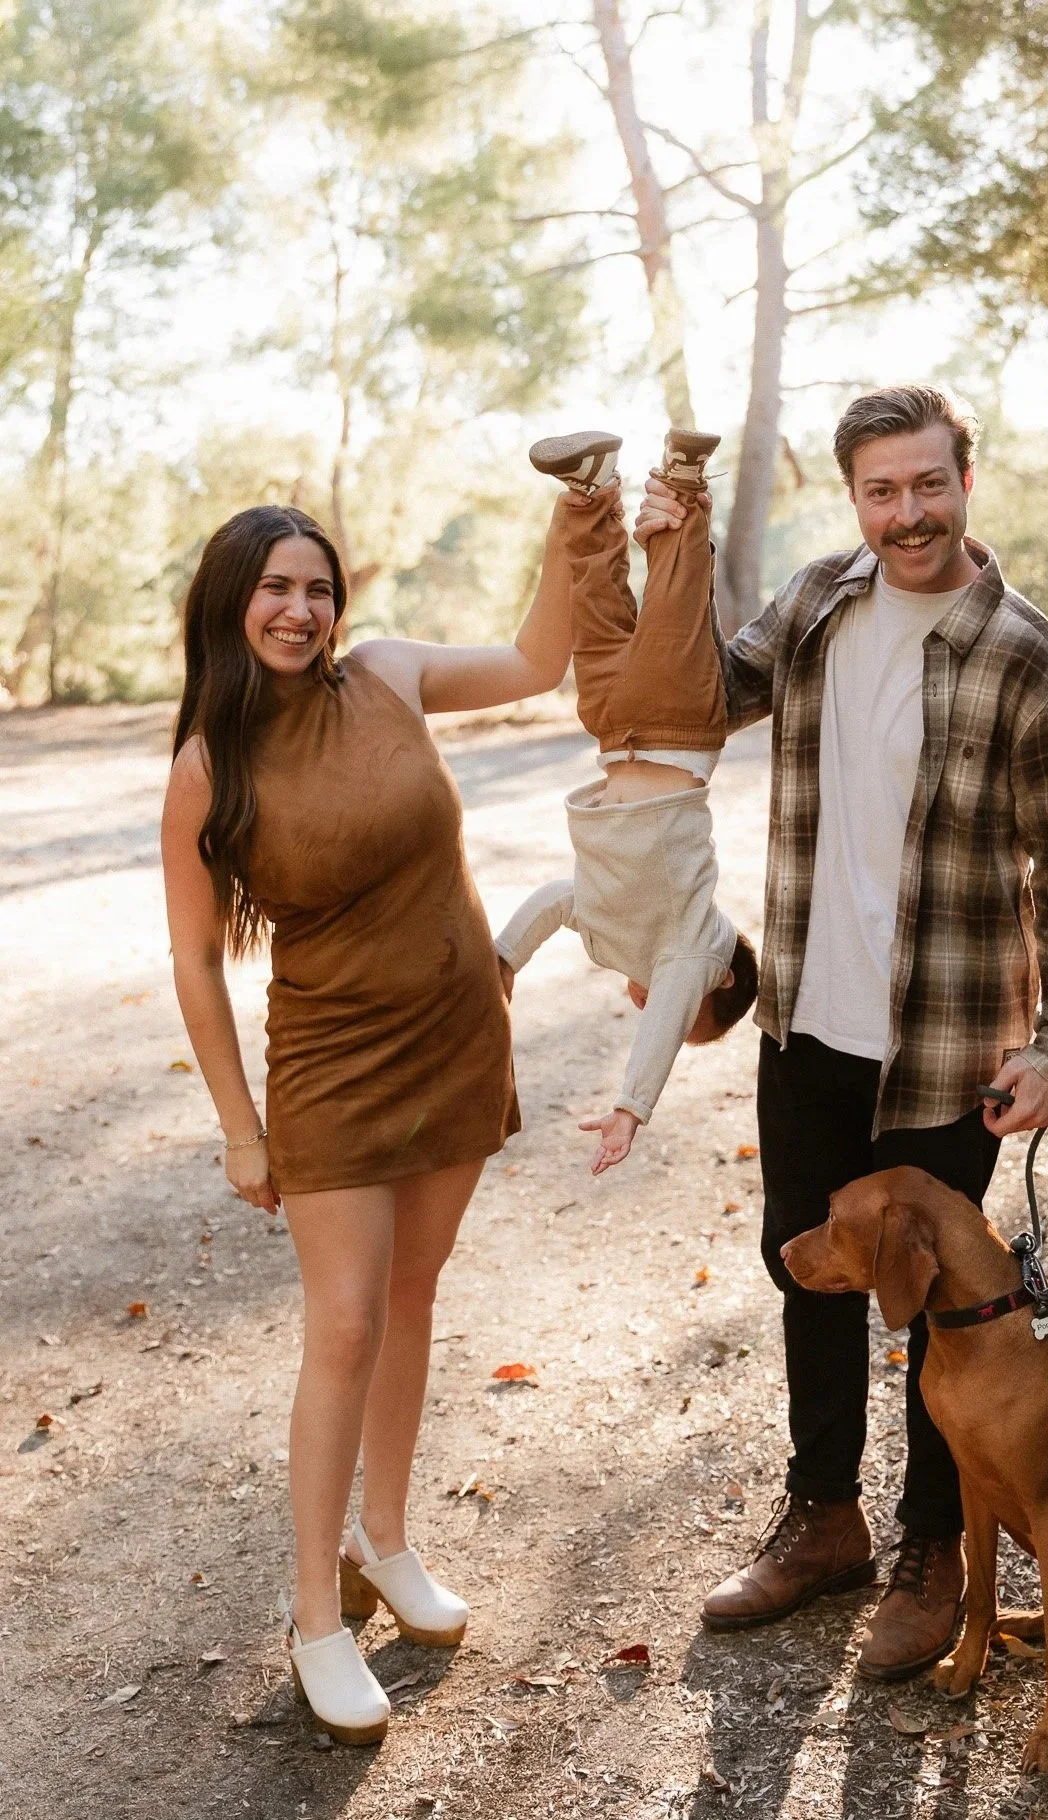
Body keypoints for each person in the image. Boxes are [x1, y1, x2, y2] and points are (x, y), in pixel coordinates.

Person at [636, 384, 1048, 1680]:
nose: (906, 514)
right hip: (806, 1023)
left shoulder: (1032, 658)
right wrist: (663, 554)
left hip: (948, 1042)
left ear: (967, 478)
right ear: (852, 497)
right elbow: (685, 702)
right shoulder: (815, 604)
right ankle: (826, 1516)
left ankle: (928, 1546)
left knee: (939, 1304)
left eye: (927, 484)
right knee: (805, 1264)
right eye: (880, 491)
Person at [160, 503, 572, 1745]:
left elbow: (540, 661)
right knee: (343, 1321)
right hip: (334, 1065)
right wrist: (242, 1125)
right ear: (233, 601)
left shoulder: (389, 673)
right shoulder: (205, 768)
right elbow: (192, 961)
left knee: (413, 1295)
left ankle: (386, 1540)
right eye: (276, 587)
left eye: (318, 588)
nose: (300, 609)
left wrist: (573, 525)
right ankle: (313, 1613)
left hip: (457, 1039)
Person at [494, 429, 758, 1174]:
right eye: (689, 1022)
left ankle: (589, 489)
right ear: (722, 979)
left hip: (613, 732)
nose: (656, 1013)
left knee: (596, 603)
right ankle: (684, 479)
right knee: (675, 594)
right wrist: (632, 1105)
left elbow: (556, 897)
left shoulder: (612, 939)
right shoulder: (694, 945)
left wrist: (503, 959)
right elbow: (668, 1008)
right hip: (677, 729)